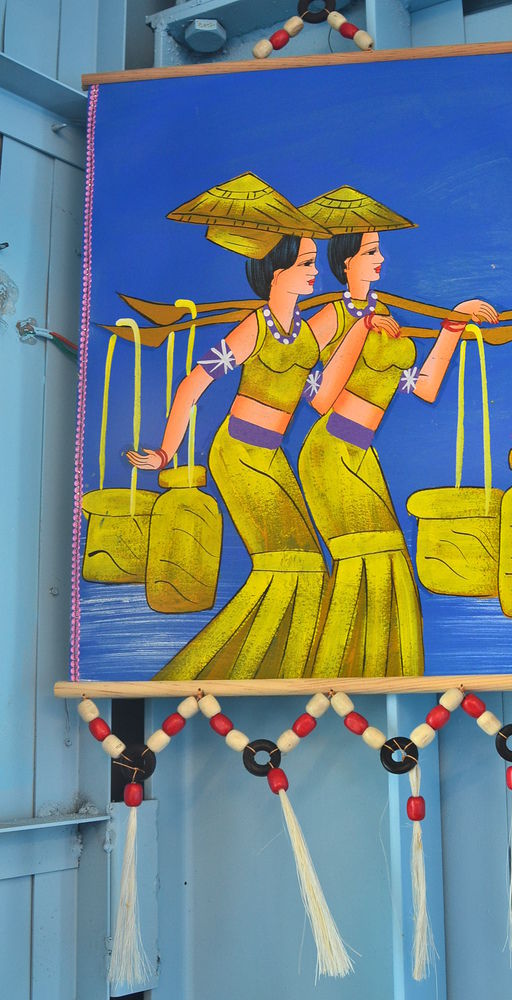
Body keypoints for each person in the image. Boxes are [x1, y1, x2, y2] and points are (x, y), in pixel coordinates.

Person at [127, 175, 377, 680]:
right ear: (276, 272)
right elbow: (193, 385)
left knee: (313, 565)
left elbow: (318, 396)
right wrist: (166, 452)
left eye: (314, 262)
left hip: (272, 458)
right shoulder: (255, 328)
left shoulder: (305, 335)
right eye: (306, 263)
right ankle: (227, 669)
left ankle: (289, 668)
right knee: (292, 563)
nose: (315, 272)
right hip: (238, 454)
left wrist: (361, 334)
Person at [296, 187, 498, 677]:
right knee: (365, 563)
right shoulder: (330, 316)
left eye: (379, 250)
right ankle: (330, 678)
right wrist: (358, 332)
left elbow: (422, 387)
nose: (381, 259)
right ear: (346, 262)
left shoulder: (386, 316)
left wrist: (452, 325)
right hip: (329, 452)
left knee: (391, 567)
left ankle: (389, 674)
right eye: (371, 251)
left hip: (361, 455)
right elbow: (312, 392)